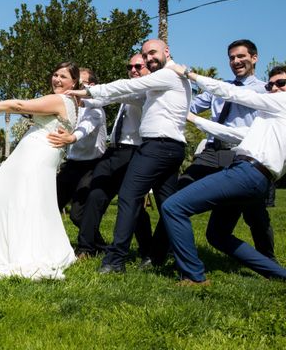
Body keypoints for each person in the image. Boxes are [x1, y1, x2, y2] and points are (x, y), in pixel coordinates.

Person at [67, 39, 191, 274]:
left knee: (129, 197)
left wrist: (87, 90)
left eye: (149, 56)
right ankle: (171, 258)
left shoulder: (167, 76)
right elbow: (117, 96)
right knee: (171, 206)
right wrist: (85, 97)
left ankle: (117, 260)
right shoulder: (156, 85)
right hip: (166, 148)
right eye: (143, 57)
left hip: (153, 147)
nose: (143, 62)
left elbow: (121, 88)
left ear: (167, 51)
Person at [0, 62, 80, 280]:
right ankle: (9, 251)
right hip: (35, 153)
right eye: (55, 74)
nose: (57, 79)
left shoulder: (60, 99)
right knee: (13, 197)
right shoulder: (67, 101)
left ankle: (20, 253)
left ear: (74, 82)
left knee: (16, 199)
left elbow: (19, 105)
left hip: (36, 155)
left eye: (63, 76)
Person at [161, 65, 286, 284]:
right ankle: (280, 275)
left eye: (281, 83)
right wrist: (192, 118)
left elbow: (233, 92)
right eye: (270, 84)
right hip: (257, 178)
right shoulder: (273, 118)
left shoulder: (282, 103)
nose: (274, 88)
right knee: (217, 235)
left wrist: (188, 74)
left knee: (173, 207)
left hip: (247, 172)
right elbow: (234, 133)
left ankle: (193, 276)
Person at [178, 39, 274, 259]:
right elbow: (191, 106)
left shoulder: (264, 91)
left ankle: (268, 259)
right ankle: (161, 251)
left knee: (255, 213)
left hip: (243, 154)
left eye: (241, 56)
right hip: (212, 151)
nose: (236, 61)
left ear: (254, 58)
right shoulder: (218, 89)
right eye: (232, 58)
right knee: (179, 191)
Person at [72, 54, 153, 260]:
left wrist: (85, 97)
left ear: (150, 69)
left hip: (135, 151)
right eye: (130, 66)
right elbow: (107, 98)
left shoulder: (148, 91)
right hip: (114, 151)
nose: (133, 70)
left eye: (138, 66)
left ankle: (148, 250)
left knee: (132, 204)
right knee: (95, 195)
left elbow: (112, 96)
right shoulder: (129, 90)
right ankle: (86, 248)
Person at [51, 67, 106, 228]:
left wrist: (72, 138)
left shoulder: (95, 109)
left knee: (77, 215)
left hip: (91, 166)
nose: (76, 89)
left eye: (81, 84)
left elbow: (86, 126)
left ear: (92, 86)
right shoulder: (69, 106)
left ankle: (93, 244)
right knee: (51, 205)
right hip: (71, 163)